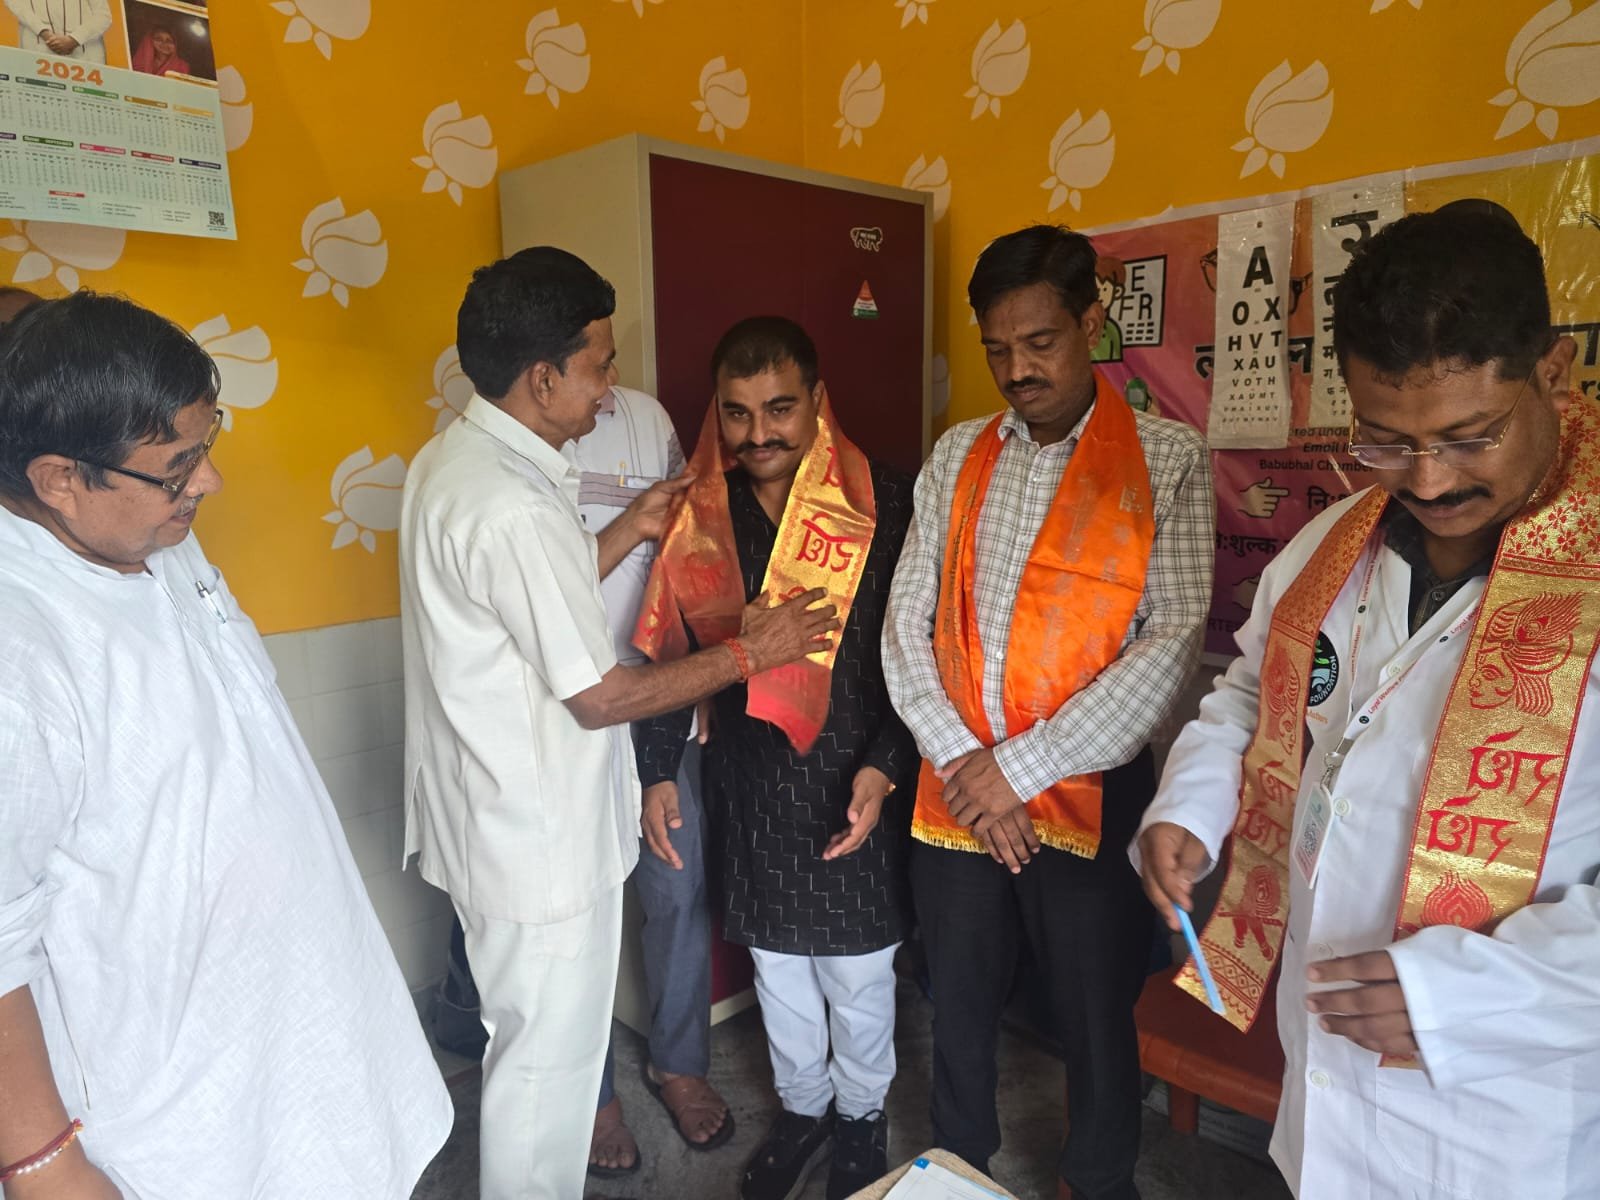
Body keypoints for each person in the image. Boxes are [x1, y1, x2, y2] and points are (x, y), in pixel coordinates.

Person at [1137, 201, 1600, 1200]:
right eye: (1386, 440)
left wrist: (1465, 998)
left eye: (1469, 437)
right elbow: (1250, 695)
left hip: (1509, 1119)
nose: (1426, 481)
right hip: (1328, 1083)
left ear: (1554, 372)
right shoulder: (1334, 545)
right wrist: (1192, 808)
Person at [400, 248, 838, 1200]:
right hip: (535, 838)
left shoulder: (459, 461)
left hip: (498, 817)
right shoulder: (510, 503)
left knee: (535, 1054)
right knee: (544, 1077)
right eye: (598, 366)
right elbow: (597, 696)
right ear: (543, 376)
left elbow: (537, 602)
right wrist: (751, 654)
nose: (609, 389)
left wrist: (631, 528)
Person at [0, 292, 452, 1198]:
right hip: (185, 1127)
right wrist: (47, 1169)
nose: (209, 483)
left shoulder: (149, 537)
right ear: (59, 480)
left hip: (312, 1054)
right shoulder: (21, 649)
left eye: (206, 446)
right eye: (178, 468)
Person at [884, 224, 1215, 1199]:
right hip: (956, 789)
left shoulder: (1165, 457)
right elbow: (905, 624)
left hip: (1089, 792)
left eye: (1039, 343)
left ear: (1090, 324)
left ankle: (1097, 1180)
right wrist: (969, 768)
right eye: (997, 349)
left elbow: (1168, 644)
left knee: (1094, 1010)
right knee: (958, 1001)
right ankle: (958, 1172)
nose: (1017, 370)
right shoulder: (957, 454)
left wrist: (1016, 772)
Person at [635, 316, 918, 1200]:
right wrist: (656, 771)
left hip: (857, 776)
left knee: (860, 978)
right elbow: (668, 655)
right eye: (738, 413)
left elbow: (923, 653)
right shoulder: (701, 517)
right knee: (780, 974)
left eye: (781, 409)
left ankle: (862, 1120)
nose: (758, 434)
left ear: (819, 402)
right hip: (752, 786)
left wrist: (886, 765)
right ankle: (803, 1112)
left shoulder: (884, 501)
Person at [571, 383, 735, 1177]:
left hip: (658, 695)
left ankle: (678, 1063)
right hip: (567, 708)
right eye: (592, 359)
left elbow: (690, 558)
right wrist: (624, 524)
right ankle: (592, 1094)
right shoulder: (511, 446)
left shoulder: (646, 419)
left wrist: (685, 698)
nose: (606, 380)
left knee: (676, 888)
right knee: (583, 912)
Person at [5, 0, 109, 61]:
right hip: (38, 47)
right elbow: (16, 4)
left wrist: (74, 39)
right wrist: (45, 33)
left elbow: (104, 16)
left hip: (85, 53)